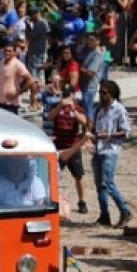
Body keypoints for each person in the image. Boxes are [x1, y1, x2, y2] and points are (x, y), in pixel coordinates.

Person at [91, 80, 132, 228]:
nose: (101, 95)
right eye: (100, 92)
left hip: (111, 150)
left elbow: (126, 132)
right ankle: (104, 215)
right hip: (98, 149)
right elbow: (94, 128)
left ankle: (125, 210)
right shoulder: (98, 110)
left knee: (108, 182)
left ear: (112, 93)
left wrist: (108, 135)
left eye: (104, 92)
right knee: (99, 185)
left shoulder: (119, 109)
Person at [48, 85, 88, 214]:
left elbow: (84, 121)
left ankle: (82, 201)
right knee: (53, 176)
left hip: (73, 146)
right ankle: (52, 199)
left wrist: (73, 111)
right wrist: (60, 106)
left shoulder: (77, 108)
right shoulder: (57, 107)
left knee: (78, 176)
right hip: (58, 146)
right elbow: (50, 117)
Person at [0, 40, 32, 114]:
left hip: (11, 104)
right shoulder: (1, 62)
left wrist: (17, 92)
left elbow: (30, 80)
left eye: (9, 51)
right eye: (5, 50)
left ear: (14, 53)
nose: (6, 53)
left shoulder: (18, 64)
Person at [78, 33, 104, 119]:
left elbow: (90, 73)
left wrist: (78, 69)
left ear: (98, 41)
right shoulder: (88, 51)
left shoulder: (97, 54)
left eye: (92, 40)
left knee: (88, 111)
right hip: (84, 86)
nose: (89, 42)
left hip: (89, 87)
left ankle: (89, 130)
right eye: (88, 40)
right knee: (85, 110)